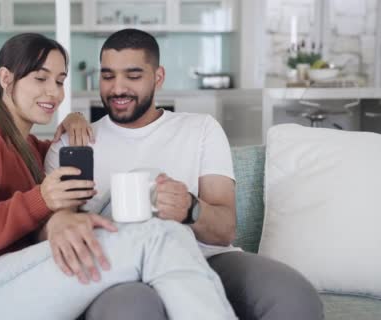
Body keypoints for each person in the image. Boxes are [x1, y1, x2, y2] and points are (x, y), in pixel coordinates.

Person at [0, 33, 236, 320]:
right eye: (40, 78)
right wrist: (40, 201)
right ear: (6, 78)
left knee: (149, 190)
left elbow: (44, 174)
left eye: (59, 80)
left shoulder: (29, 146)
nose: (53, 92)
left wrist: (73, 124)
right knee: (159, 236)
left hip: (14, 276)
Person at [45, 29, 324, 320]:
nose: (118, 88)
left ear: (158, 77)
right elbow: (56, 231)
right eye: (108, 75)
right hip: (120, 271)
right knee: (128, 310)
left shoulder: (201, 129)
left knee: (293, 296)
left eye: (133, 75)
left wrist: (190, 209)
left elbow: (225, 229)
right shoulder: (71, 142)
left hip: (206, 259)